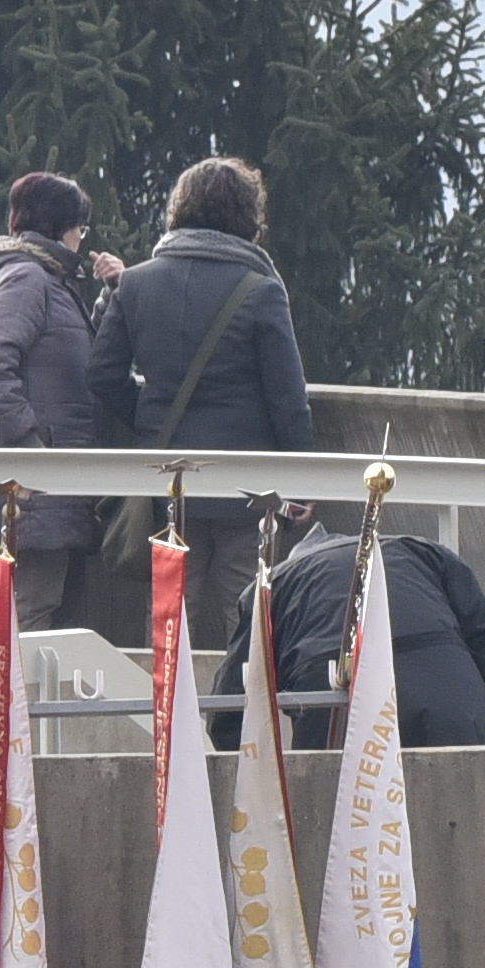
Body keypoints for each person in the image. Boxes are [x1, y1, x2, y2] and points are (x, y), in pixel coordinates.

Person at [99, 157, 312, 648]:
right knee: (249, 621)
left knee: (174, 624)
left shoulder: (135, 284)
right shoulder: (261, 290)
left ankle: (173, 723)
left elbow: (102, 374)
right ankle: (240, 722)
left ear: (179, 208)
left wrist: (151, 418)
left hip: (168, 480)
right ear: (247, 216)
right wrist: (303, 478)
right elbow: (287, 397)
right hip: (246, 487)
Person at [0, 173, 127, 634]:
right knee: (30, 614)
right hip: (33, 483)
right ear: (64, 226)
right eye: (81, 229)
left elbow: (76, 354)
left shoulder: (48, 280)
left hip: (47, 481)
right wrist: (32, 450)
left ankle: (31, 709)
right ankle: (17, 710)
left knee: (43, 613)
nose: (83, 241)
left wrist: (109, 296)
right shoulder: (27, 277)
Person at [263, 500, 485, 750]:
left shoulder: (273, 585)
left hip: (337, 716)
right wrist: (475, 708)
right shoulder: (424, 550)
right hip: (451, 705)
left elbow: (234, 701)